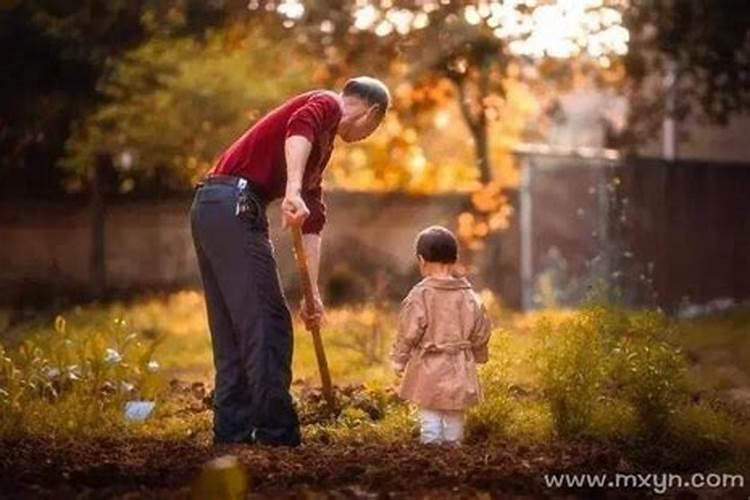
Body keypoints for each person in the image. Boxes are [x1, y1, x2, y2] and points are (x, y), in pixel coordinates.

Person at [190, 76, 390, 446]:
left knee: (236, 330)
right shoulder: (328, 104)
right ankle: (276, 436)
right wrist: (292, 190)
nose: (367, 135)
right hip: (232, 204)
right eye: (374, 128)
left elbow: (312, 222)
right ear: (373, 113)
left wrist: (312, 294)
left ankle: (232, 435)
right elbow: (299, 126)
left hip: (213, 207)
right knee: (269, 322)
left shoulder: (320, 152)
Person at [391, 226, 492, 445]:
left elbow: (408, 331)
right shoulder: (469, 295)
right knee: (456, 411)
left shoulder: (421, 295)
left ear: (422, 260)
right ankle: (454, 450)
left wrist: (399, 360)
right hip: (460, 364)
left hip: (430, 365)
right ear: (455, 259)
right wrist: (479, 353)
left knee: (430, 411)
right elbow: (481, 330)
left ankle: (431, 449)